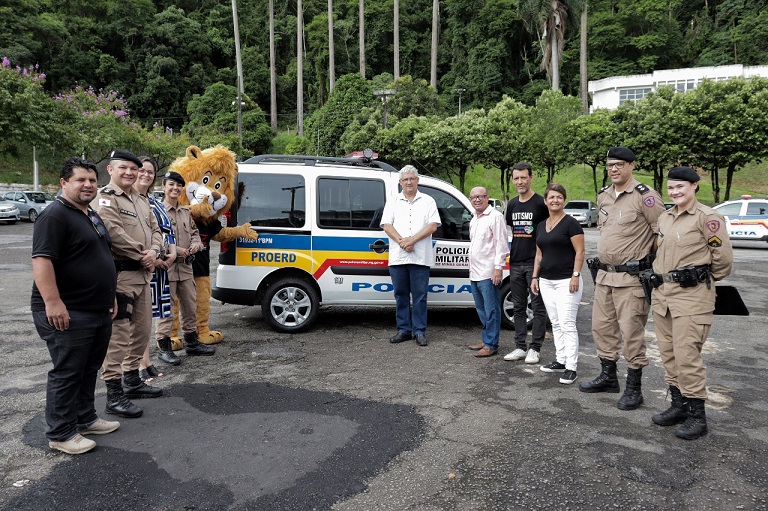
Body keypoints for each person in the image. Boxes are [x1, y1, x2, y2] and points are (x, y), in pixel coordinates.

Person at [31, 157, 120, 455]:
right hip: (67, 310)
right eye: (81, 180)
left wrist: (111, 296)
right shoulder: (55, 215)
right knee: (68, 370)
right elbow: (42, 261)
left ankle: (85, 418)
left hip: (97, 307)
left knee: (88, 367)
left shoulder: (89, 214)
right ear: (64, 183)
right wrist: (53, 303)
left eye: (92, 180)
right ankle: (60, 433)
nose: (88, 185)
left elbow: (101, 259)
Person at [579, 147, 665, 410]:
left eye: (618, 164)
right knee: (602, 329)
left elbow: (662, 234)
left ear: (631, 165)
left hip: (631, 279)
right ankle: (608, 377)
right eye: (609, 165)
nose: (613, 169)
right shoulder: (604, 196)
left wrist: (646, 262)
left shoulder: (646, 197)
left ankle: (634, 389)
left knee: (632, 333)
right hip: (605, 276)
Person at [650, 166, 732, 440]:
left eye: (680, 187)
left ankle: (698, 416)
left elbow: (722, 260)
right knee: (669, 355)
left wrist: (699, 278)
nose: (675, 192)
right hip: (663, 295)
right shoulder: (665, 218)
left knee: (687, 356)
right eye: (671, 188)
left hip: (692, 298)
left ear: (694, 186)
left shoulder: (708, 218)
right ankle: (679, 406)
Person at [92, 149, 164, 419]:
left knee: (143, 331)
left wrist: (154, 252)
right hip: (120, 276)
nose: (130, 173)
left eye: (134, 169)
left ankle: (132, 381)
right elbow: (112, 232)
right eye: (123, 168)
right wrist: (143, 254)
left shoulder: (141, 200)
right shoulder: (106, 198)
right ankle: (114, 394)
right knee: (118, 337)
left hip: (144, 274)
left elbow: (156, 231)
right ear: (110, 170)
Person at [155, 171, 215, 363]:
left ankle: (192, 343)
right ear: (163, 186)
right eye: (171, 184)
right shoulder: (156, 211)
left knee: (190, 306)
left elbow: (195, 232)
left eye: (178, 185)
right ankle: (164, 348)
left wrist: (196, 244)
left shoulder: (185, 211)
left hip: (186, 269)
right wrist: (177, 250)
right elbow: (154, 238)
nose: (175, 188)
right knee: (167, 309)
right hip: (168, 267)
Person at [530, 183, 585, 385]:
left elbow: (580, 252)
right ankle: (561, 360)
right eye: (551, 197)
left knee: (568, 323)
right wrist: (535, 277)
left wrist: (576, 275)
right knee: (556, 323)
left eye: (559, 197)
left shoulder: (571, 224)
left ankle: (572, 367)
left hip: (566, 281)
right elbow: (539, 254)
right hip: (546, 281)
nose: (555, 200)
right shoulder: (541, 225)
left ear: (564, 200)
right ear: (545, 201)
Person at [381, 165, 441, 347]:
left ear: (417, 180)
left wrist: (412, 240)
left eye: (411, 179)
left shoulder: (428, 201)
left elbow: (433, 225)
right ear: (400, 182)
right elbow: (386, 225)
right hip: (398, 257)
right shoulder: (393, 201)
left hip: (420, 257)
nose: (408, 182)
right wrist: (402, 241)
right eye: (405, 179)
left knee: (420, 296)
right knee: (400, 295)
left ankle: (420, 331)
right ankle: (404, 330)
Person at [503, 162, 549, 364]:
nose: (520, 181)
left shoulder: (541, 203)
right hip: (516, 263)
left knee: (538, 307)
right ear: (512, 180)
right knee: (519, 307)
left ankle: (535, 349)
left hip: (535, 264)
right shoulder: (512, 204)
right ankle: (520, 347)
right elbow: (512, 232)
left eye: (523, 177)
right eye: (516, 178)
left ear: (531, 178)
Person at [135, 156, 176, 380]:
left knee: (148, 318)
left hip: (160, 267)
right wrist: (155, 257)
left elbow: (164, 231)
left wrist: (169, 256)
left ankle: (146, 361)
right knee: (137, 320)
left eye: (150, 172)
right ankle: (137, 366)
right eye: (142, 170)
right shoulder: (130, 199)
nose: (146, 175)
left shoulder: (153, 200)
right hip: (143, 266)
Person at [466, 187, 509, 357]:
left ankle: (491, 344)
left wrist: (498, 268)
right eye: (473, 197)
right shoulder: (474, 218)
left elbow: (502, 245)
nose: (477, 200)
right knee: (481, 309)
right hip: (475, 272)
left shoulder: (495, 217)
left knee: (492, 310)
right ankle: (486, 340)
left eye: (480, 197)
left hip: (488, 272)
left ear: (487, 198)